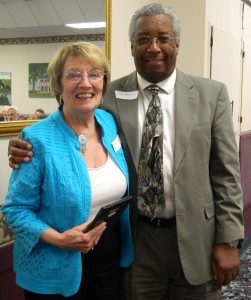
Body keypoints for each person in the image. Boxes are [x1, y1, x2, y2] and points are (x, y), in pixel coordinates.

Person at [7, 3, 244, 300]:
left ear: (177, 44)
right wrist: (26, 144)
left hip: (198, 238)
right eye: (143, 39)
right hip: (137, 239)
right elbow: (72, 117)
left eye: (163, 38)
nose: (153, 47)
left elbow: (226, 175)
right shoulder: (109, 99)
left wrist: (230, 240)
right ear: (131, 46)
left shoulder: (212, 95)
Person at [2, 41, 133, 300]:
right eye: (74, 75)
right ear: (58, 84)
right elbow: (15, 210)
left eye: (94, 74)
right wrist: (60, 239)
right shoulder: (37, 138)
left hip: (108, 264)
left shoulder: (108, 122)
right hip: (53, 270)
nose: (86, 83)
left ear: (103, 83)